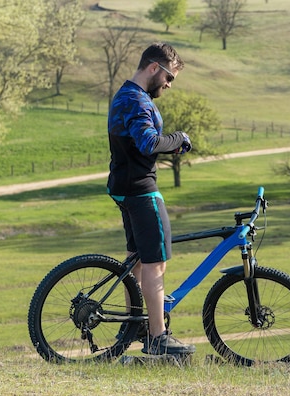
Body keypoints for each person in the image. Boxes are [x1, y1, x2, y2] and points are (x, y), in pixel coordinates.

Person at [107, 43, 195, 356]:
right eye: (169, 77)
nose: (169, 84)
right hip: (141, 189)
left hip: (123, 185)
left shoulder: (126, 94)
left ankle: (134, 323)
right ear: (154, 68)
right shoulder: (136, 99)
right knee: (156, 265)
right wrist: (179, 139)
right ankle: (158, 337)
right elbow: (148, 142)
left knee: (138, 261)